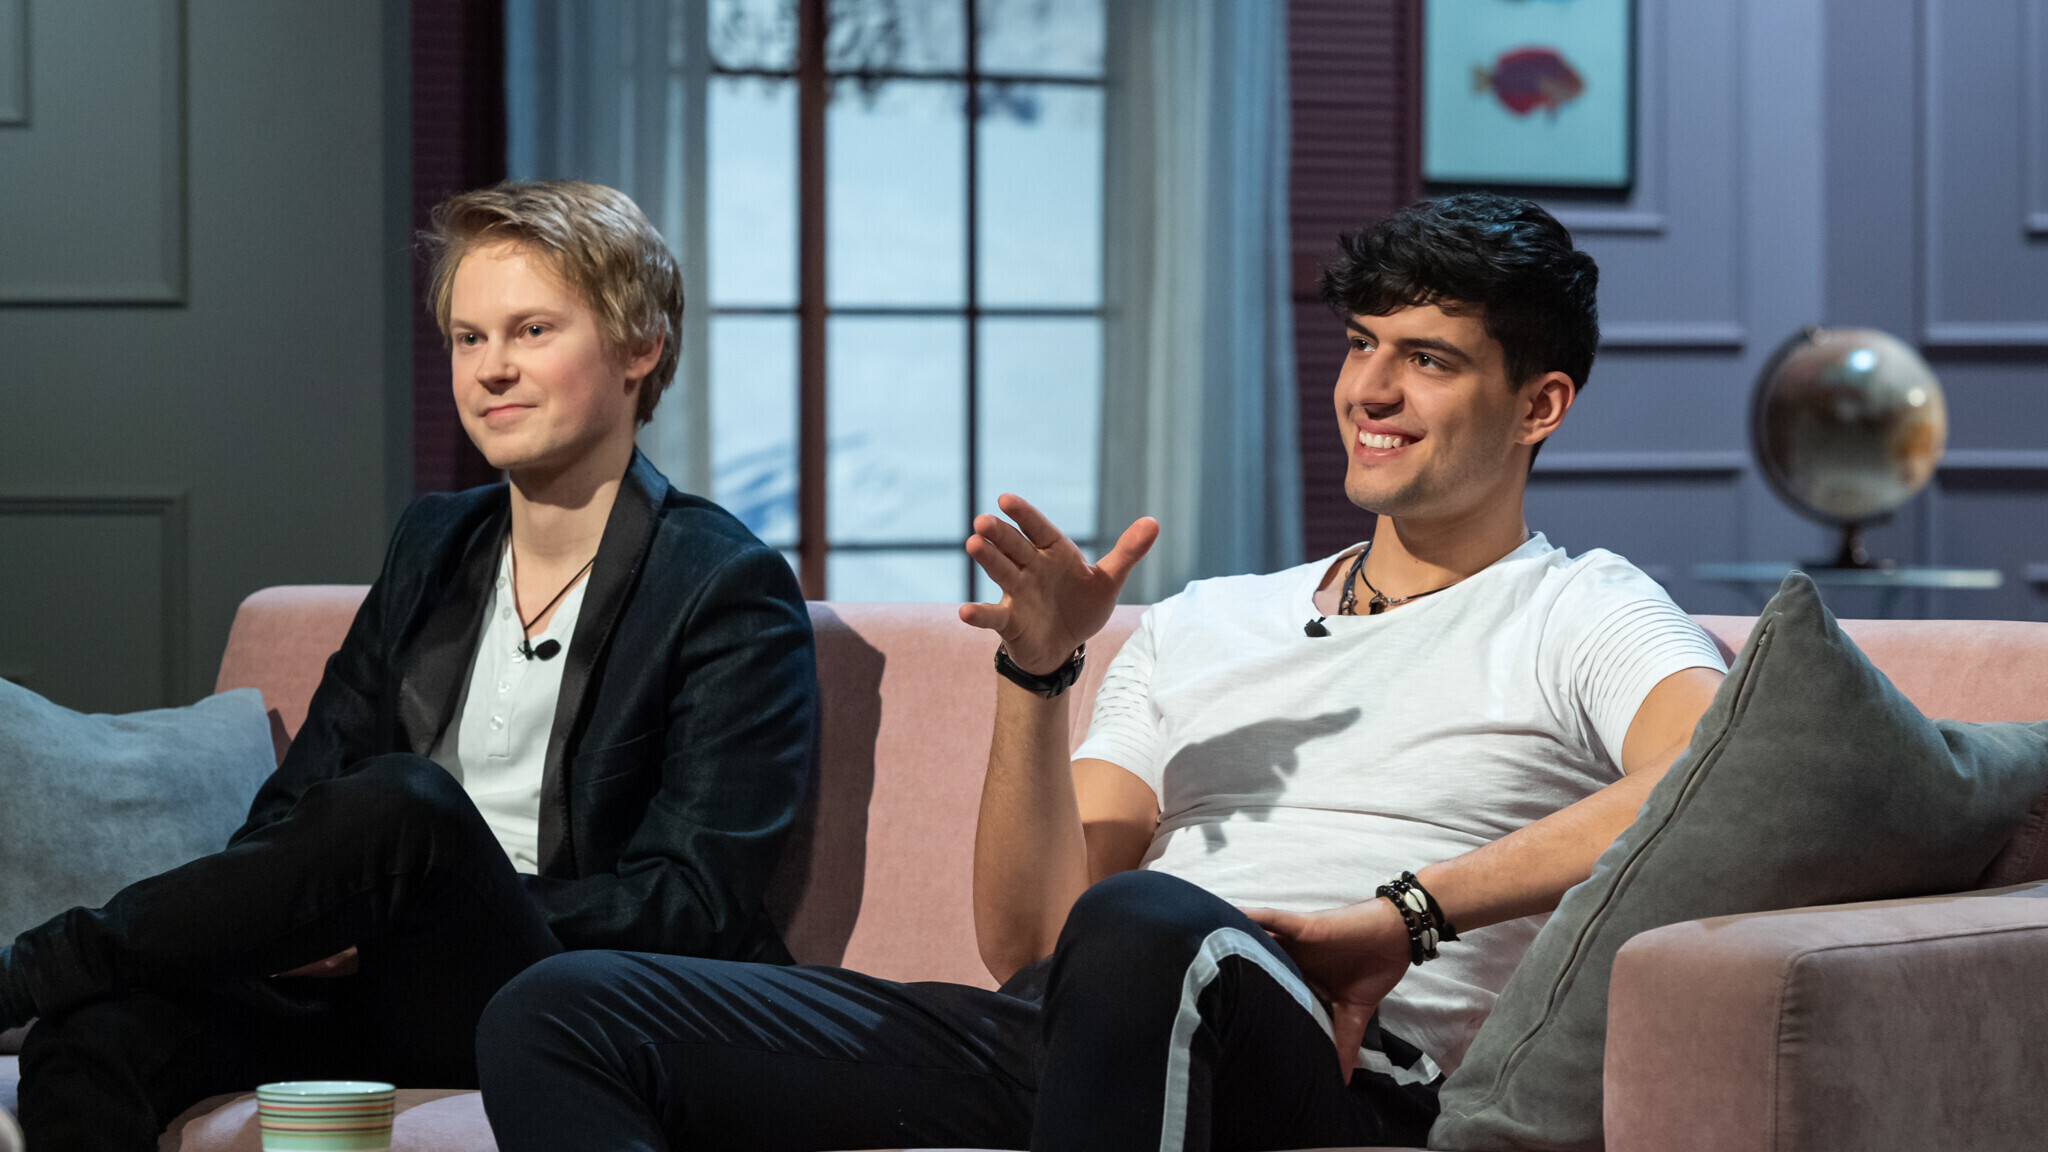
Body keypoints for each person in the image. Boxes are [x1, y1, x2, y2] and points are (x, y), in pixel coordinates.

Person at [471, 192, 1728, 1151]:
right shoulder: (1206, 620)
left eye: (1429, 359)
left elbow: (1710, 778)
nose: (1372, 389)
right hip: (1087, 1020)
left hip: (1335, 1061)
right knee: (562, 1009)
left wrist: (1406, 912)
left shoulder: (1579, 609)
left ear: (1537, 405)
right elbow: (1028, 935)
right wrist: (1040, 674)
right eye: (1360, 345)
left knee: (1148, 926)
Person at [0, 181, 818, 1151]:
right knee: (91, 1035)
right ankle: (57, 984)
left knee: (408, 806)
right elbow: (293, 810)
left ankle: (30, 965)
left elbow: (691, 905)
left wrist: (407, 898)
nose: (492, 368)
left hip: (565, 1000)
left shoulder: (726, 585)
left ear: (640, 346)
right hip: (378, 989)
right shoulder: (433, 543)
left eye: (531, 331)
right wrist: (338, 911)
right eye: (469, 338)